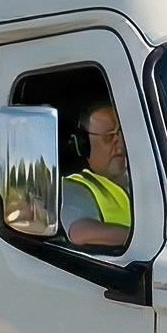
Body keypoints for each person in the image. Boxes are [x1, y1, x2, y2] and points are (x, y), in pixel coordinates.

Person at [59, 100, 133, 250]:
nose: (121, 143)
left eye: (123, 133)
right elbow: (80, 233)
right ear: (83, 145)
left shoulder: (157, 173)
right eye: (109, 136)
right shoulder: (75, 186)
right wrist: (142, 237)